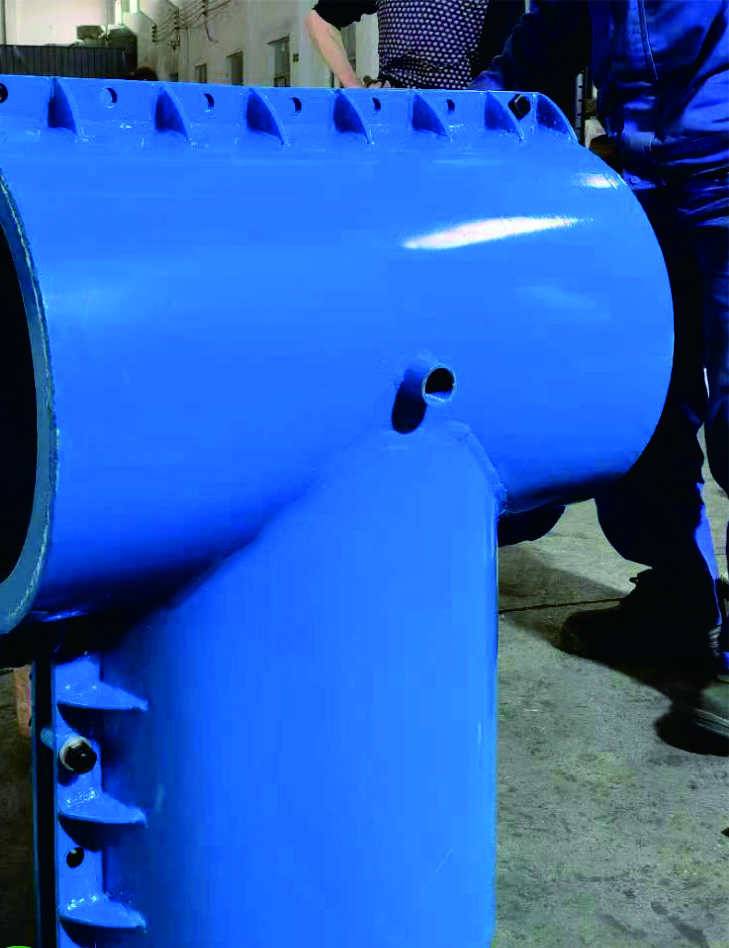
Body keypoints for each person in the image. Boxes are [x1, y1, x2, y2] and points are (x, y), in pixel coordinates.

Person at [472, 0, 729, 743]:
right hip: (640, 187)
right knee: (642, 407)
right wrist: (459, 119)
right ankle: (678, 598)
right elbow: (550, 33)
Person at [305, 0, 527, 92]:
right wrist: (354, 87)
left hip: (460, 113)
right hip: (400, 112)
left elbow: (508, 61)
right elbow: (320, 20)